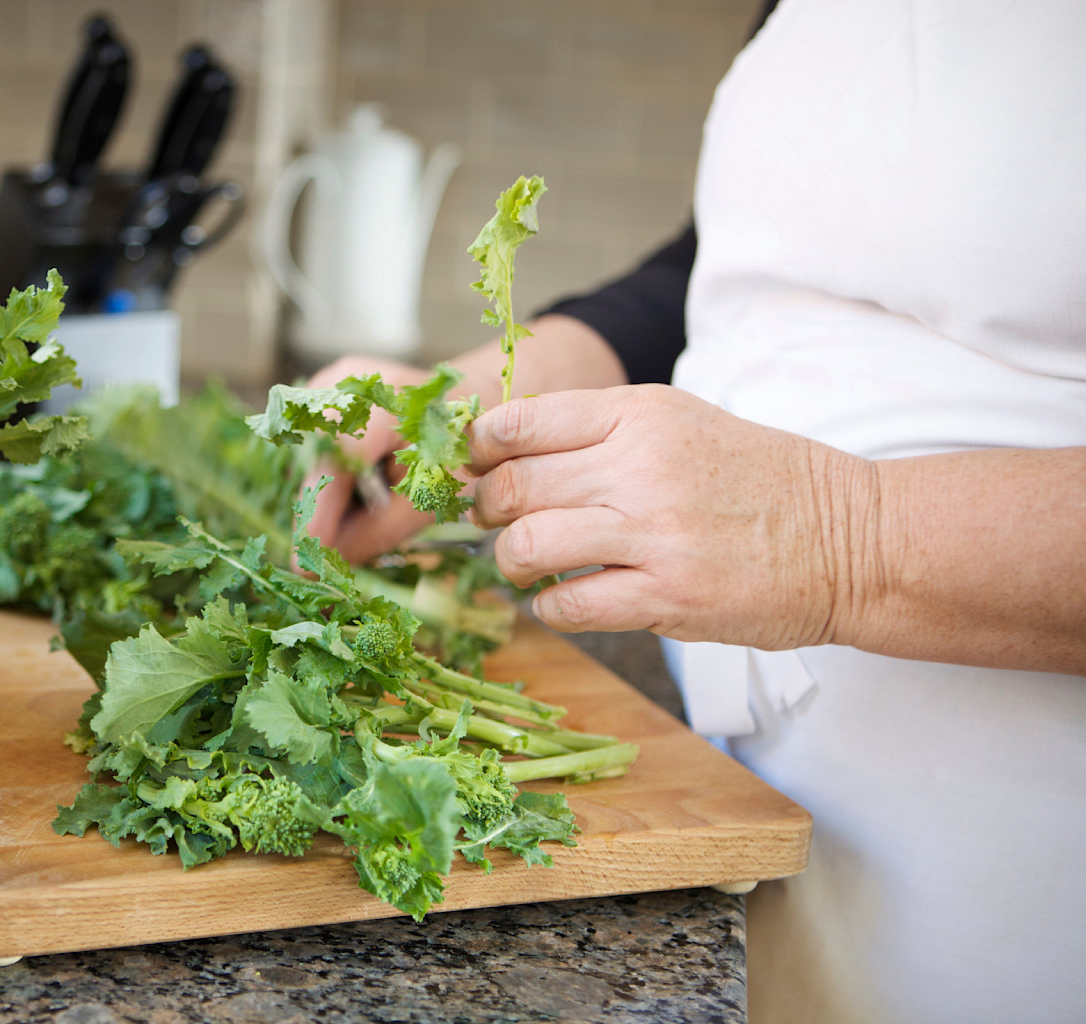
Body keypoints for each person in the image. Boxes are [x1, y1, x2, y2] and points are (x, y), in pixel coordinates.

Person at [302, 2, 1086, 1022]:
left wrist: (841, 534)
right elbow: (738, 261)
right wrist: (495, 396)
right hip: (718, 804)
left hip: (1017, 892)